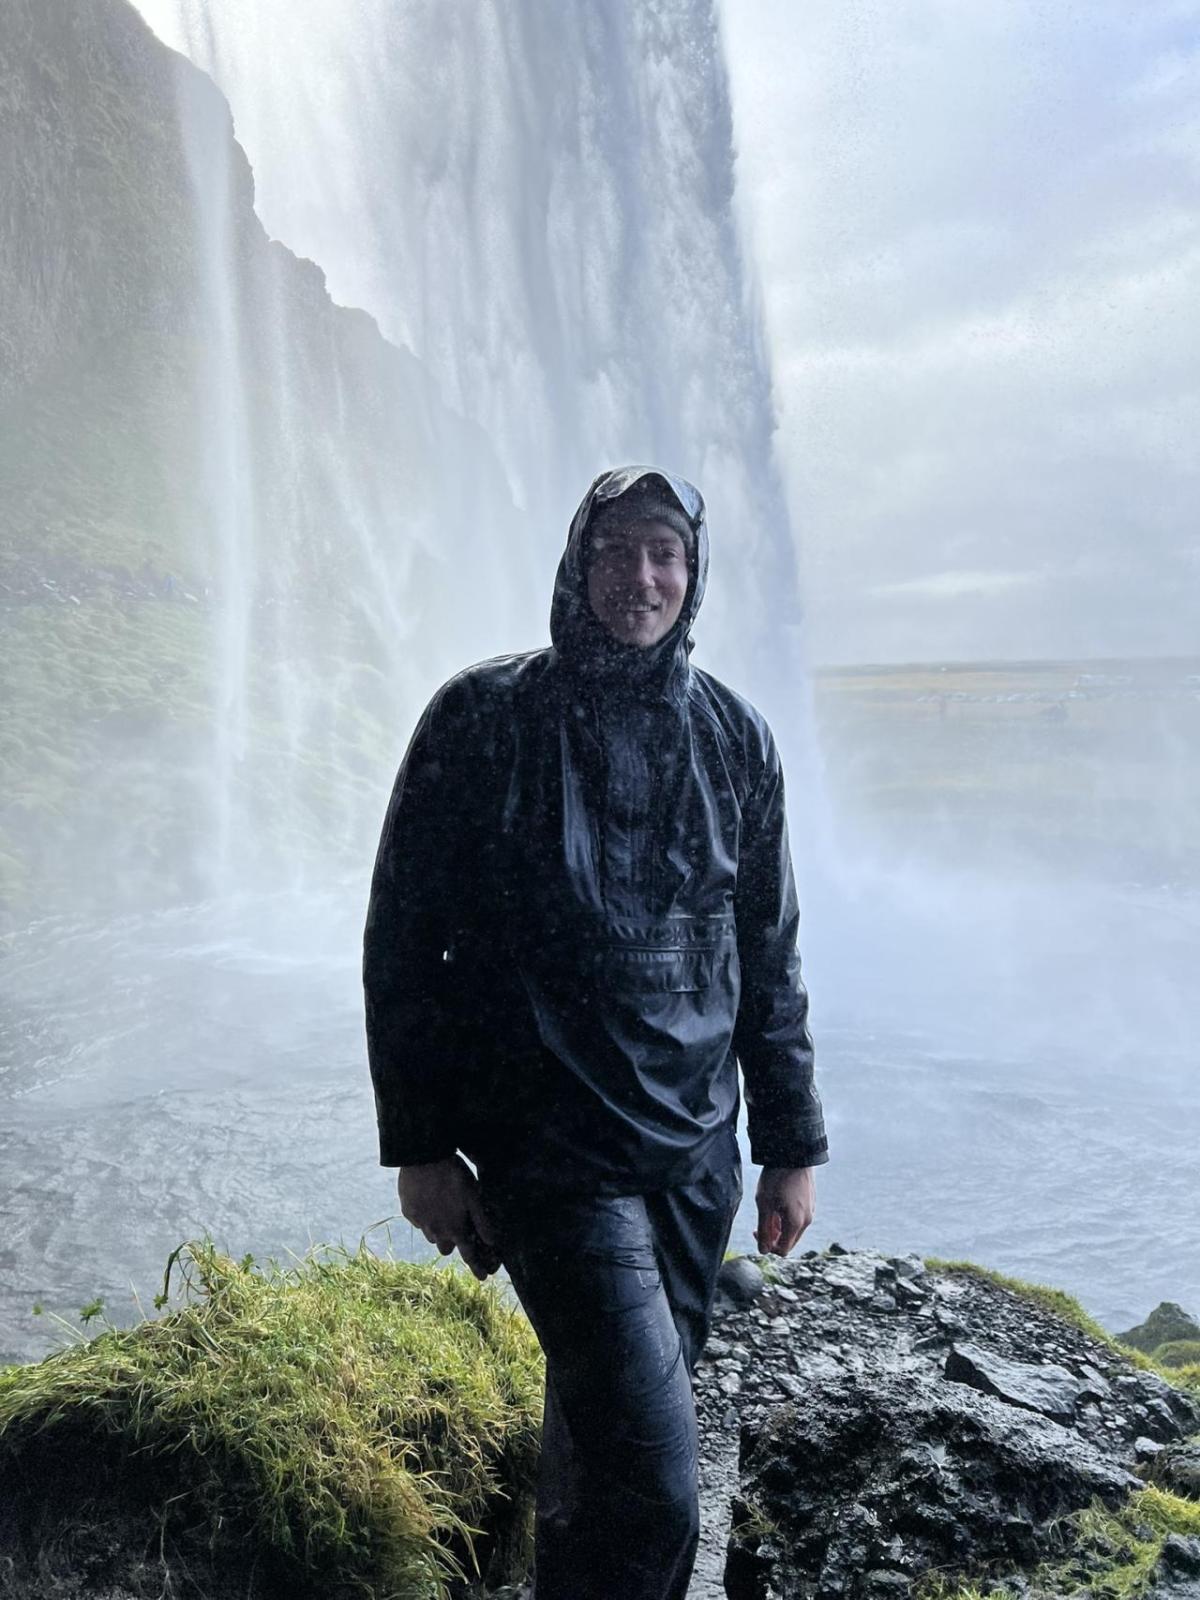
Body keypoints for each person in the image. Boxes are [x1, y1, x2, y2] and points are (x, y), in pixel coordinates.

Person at [363, 465, 828, 1600]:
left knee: (597, 1440)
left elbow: (765, 949)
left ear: (694, 571)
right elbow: (401, 942)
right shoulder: (483, 721)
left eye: (666, 551)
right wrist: (420, 1148)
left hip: (693, 1155)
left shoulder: (736, 740)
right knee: (659, 1483)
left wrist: (791, 1141)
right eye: (618, 549)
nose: (643, 576)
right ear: (579, 561)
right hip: (549, 1150)